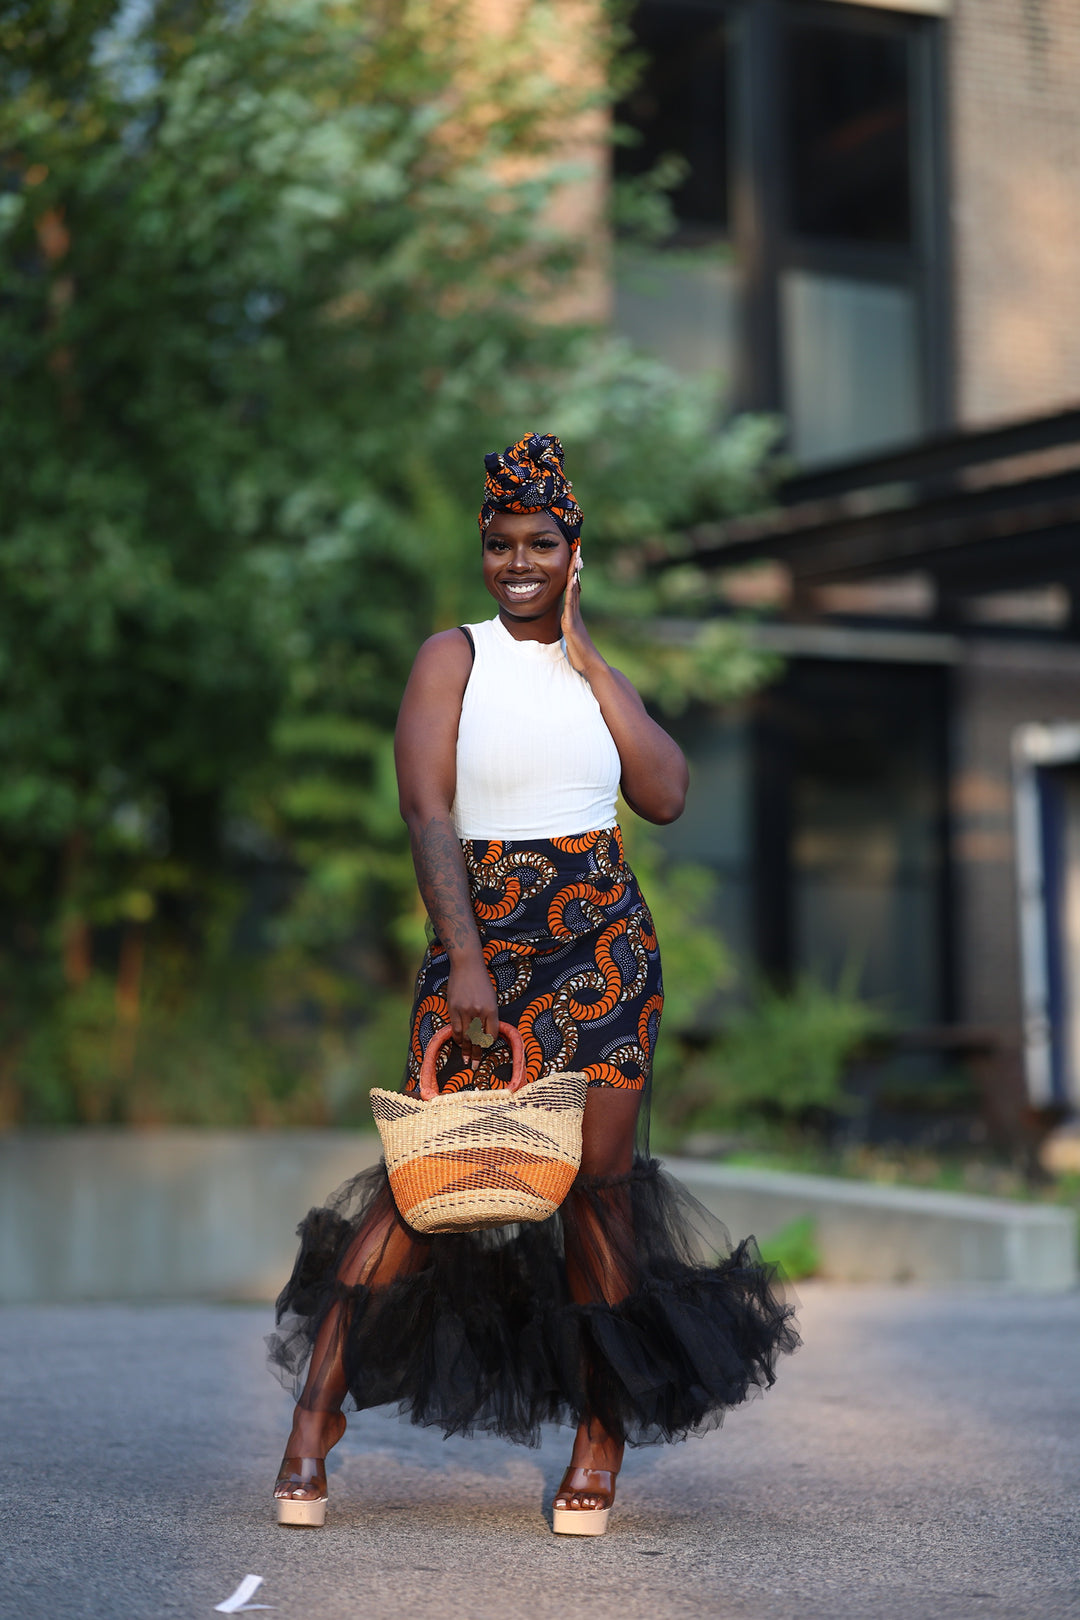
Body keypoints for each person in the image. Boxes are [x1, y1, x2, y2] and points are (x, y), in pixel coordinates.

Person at [269, 432, 798, 1533]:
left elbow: (666, 796)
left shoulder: (595, 673)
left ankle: (597, 1444)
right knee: (424, 1188)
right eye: (502, 544)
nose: (519, 561)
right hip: (485, 940)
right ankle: (314, 1417)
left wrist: (593, 659)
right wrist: (463, 954)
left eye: (541, 543)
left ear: (573, 552)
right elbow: (427, 813)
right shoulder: (449, 658)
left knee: (598, 1202)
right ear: (484, 549)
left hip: (606, 948)